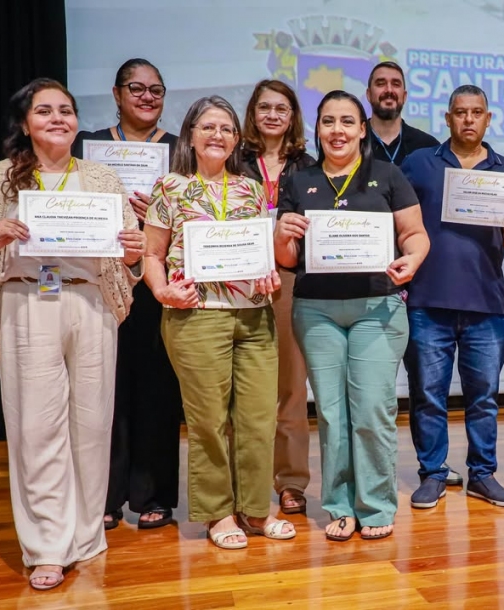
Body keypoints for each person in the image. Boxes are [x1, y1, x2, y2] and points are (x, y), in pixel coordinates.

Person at [0, 78, 145, 590]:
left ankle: (83, 534)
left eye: (66, 110)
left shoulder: (101, 177)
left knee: (92, 422)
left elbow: (129, 256)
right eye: (45, 111)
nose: (58, 118)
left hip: (90, 300)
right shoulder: (0, 180)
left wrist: (132, 249)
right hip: (27, 301)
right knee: (36, 428)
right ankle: (46, 547)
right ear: (25, 123)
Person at [274, 90, 429, 541]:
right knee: (332, 413)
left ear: (363, 129)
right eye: (328, 122)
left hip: (376, 309)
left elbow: (415, 235)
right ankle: (339, 504)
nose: (337, 131)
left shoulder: (387, 175)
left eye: (347, 121)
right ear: (317, 129)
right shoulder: (299, 181)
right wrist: (283, 232)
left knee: (372, 411)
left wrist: (412, 261)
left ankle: (377, 505)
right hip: (316, 309)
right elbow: (287, 260)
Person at [143, 95, 295, 549]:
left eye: (226, 128)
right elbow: (152, 255)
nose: (217, 135)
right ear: (190, 133)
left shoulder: (249, 188)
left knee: (257, 419)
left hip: (254, 316)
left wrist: (269, 274)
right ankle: (216, 514)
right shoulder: (170, 187)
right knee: (208, 420)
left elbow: (261, 255)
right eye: (207, 126)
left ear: (236, 139)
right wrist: (160, 290)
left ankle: (254, 510)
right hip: (195, 317)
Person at [72, 57, 183, 532]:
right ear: (117, 94)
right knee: (104, 391)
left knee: (158, 389)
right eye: (136, 89)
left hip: (160, 283)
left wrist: (158, 213)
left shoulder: (180, 151)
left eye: (156, 90)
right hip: (101, 282)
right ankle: (106, 496)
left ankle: (154, 495)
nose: (146, 98)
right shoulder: (87, 147)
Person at [401, 85, 504, 509]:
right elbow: (401, 223)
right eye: (460, 112)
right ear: (447, 118)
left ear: (489, 119)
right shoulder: (419, 164)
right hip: (426, 302)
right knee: (427, 395)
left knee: (483, 398)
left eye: (477, 113)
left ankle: (482, 475)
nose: (468, 119)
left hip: (486, 305)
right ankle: (432, 474)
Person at [365, 60, 462, 486]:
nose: (388, 90)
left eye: (395, 84)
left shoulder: (429, 147)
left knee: (425, 385)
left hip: (420, 282)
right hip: (363, 279)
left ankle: (432, 469)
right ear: (368, 93)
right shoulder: (349, 139)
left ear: (405, 94)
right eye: (380, 84)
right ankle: (376, 473)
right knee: (374, 390)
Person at [240, 79, 316, 516]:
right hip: (239, 281)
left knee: (290, 388)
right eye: (264, 107)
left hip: (289, 280)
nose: (272, 115)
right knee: (245, 390)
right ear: (252, 113)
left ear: (292, 117)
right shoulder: (234, 160)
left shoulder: (307, 165)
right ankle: (245, 481)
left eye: (281, 108)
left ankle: (291, 482)